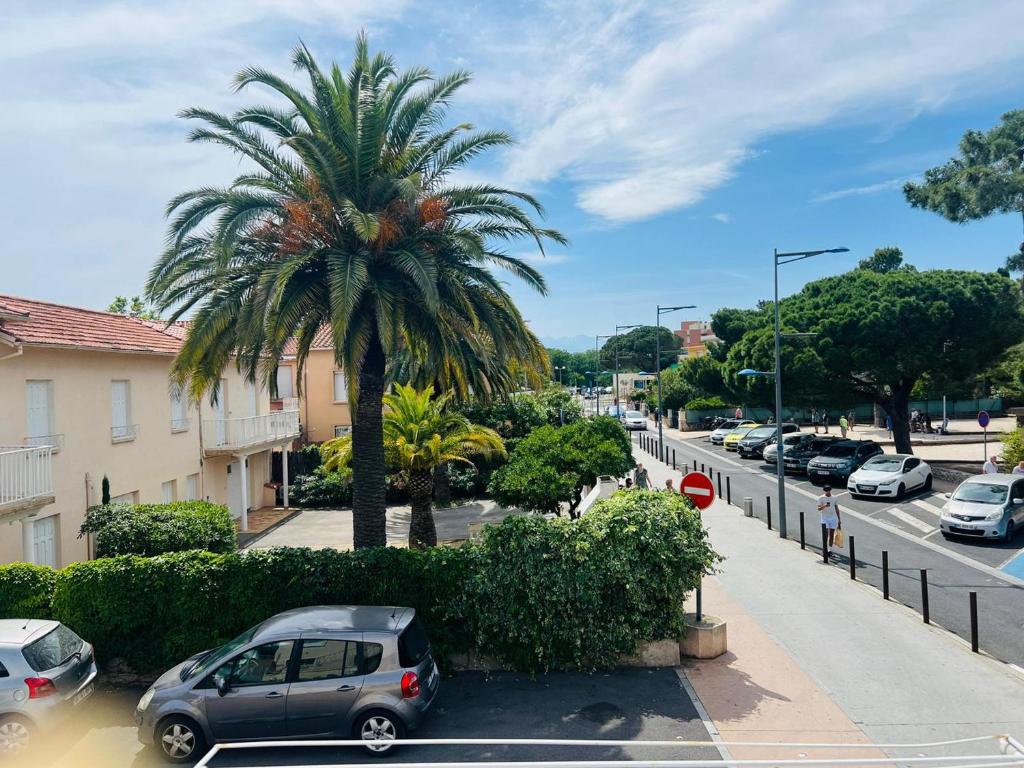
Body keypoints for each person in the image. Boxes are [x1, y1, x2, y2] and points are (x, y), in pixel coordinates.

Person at [817, 485, 842, 560]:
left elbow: (836, 508)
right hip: (825, 518)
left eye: (828, 490)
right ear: (824, 491)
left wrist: (839, 519)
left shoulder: (834, 498)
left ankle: (829, 550)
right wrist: (824, 505)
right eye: (826, 490)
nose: (827, 492)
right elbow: (818, 509)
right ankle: (824, 549)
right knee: (825, 534)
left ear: (830, 490)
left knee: (831, 534)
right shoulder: (821, 498)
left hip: (833, 518)